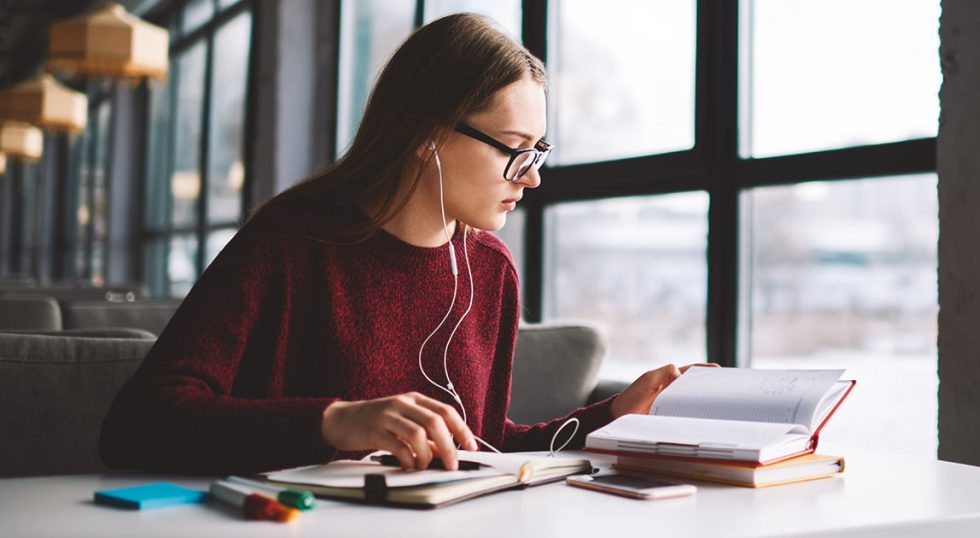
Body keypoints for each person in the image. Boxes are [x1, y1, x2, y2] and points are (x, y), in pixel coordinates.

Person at [100, 13, 713, 475]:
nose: (532, 176)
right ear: (426, 134)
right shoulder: (291, 241)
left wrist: (610, 414)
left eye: (539, 149)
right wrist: (338, 422)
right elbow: (139, 424)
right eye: (514, 148)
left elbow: (483, 447)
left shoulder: (487, 269)